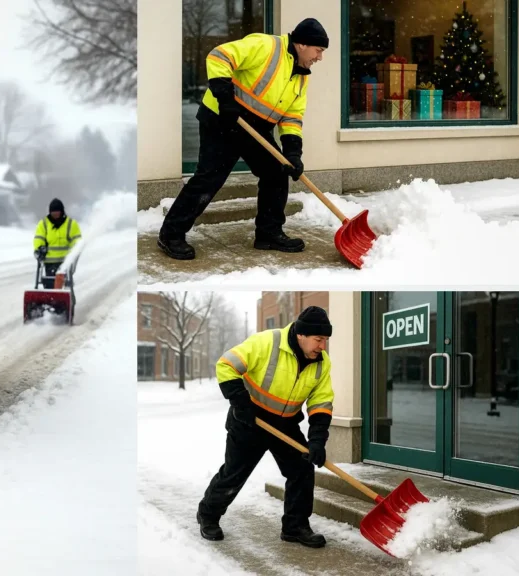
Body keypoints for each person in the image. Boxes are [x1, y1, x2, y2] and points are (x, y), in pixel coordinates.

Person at [159, 18, 329, 260]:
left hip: (256, 128)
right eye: (318, 50)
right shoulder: (266, 47)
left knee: (276, 172)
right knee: (209, 178)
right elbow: (219, 56)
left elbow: (292, 117)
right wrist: (226, 99)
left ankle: (268, 234)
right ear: (303, 44)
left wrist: (293, 152)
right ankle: (170, 234)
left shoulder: (301, 76)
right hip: (223, 119)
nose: (319, 57)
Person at [198, 305, 335, 549]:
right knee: (234, 473)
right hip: (249, 420)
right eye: (318, 339)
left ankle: (295, 526)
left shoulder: (321, 363)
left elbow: (321, 402)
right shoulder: (267, 342)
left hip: (285, 424)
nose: (322, 346)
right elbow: (226, 365)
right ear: (301, 335)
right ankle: (208, 516)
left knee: (301, 470)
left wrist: (316, 440)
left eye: (325, 340)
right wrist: (241, 403)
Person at [32, 198, 82, 288]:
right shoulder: (43, 224)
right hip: (49, 261)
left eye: (57, 212)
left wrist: (75, 250)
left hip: (65, 261)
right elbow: (39, 238)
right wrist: (40, 248)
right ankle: (51, 300)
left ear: (62, 211)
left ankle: (64, 299)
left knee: (64, 285)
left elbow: (77, 240)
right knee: (50, 285)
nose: (55, 214)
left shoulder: (71, 224)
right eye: (53, 212)